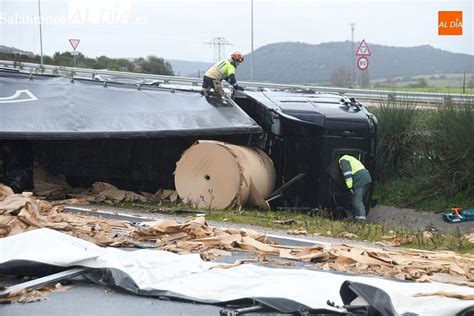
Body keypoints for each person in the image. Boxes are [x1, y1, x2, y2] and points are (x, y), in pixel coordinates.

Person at [338, 154, 372, 220]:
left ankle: (361, 219)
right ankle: (357, 218)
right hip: (366, 178)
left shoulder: (343, 160)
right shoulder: (350, 158)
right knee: (354, 200)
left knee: (357, 200)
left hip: (361, 179)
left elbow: (347, 174)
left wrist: (349, 187)